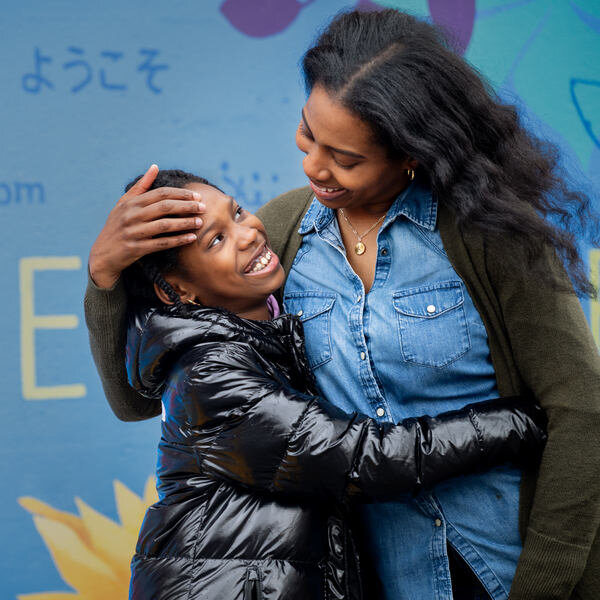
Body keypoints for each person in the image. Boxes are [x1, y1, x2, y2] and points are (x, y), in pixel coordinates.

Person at [84, 8, 600, 600]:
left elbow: (580, 413)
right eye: (308, 134)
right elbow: (137, 397)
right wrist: (104, 276)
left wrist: (544, 586)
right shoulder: (282, 231)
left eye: (345, 158)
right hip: (375, 579)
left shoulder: (492, 234)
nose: (313, 167)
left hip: (505, 568)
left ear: (413, 151)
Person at [121, 168, 544, 600]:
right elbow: (364, 458)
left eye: (238, 212)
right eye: (216, 240)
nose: (247, 233)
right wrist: (524, 421)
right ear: (178, 291)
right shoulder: (211, 372)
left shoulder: (263, 334)